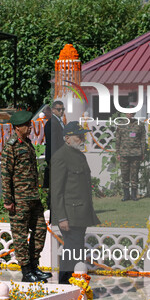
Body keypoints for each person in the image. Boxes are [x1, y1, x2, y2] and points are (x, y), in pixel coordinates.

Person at [1, 111, 51, 283]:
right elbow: (6, 174)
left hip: (32, 197)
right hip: (19, 199)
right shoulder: (11, 147)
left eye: (30, 124)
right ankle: (26, 271)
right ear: (16, 127)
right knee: (20, 236)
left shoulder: (27, 142)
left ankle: (34, 266)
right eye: (26, 125)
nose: (30, 127)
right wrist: (8, 200)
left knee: (40, 230)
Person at [50, 122, 100, 284]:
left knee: (76, 252)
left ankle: (73, 284)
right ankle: (64, 286)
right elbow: (56, 191)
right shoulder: (60, 157)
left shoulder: (79, 155)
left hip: (80, 214)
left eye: (82, 135)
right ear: (67, 138)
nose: (81, 139)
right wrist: (62, 217)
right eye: (78, 136)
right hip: (70, 216)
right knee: (71, 253)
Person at [115, 112, 146, 201]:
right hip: (124, 153)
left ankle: (134, 195)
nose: (130, 114)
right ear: (125, 114)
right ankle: (126, 195)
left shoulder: (139, 124)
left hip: (136, 153)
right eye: (128, 113)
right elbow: (118, 139)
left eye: (132, 113)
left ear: (134, 114)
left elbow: (143, 139)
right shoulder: (121, 124)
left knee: (134, 174)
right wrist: (118, 152)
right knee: (124, 174)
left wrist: (143, 152)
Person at [43, 101, 66, 196]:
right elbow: (53, 143)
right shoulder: (51, 123)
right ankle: (51, 207)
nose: (61, 111)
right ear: (53, 110)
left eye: (63, 109)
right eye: (59, 109)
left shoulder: (60, 122)